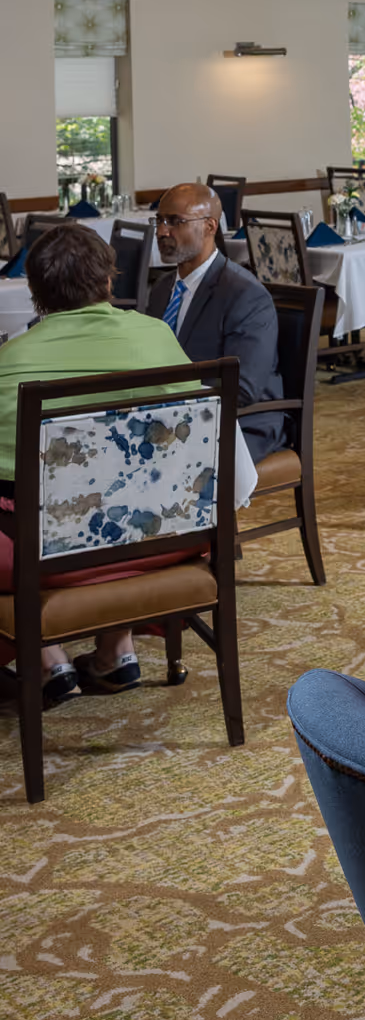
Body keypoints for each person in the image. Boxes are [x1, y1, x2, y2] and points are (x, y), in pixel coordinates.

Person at [0, 222, 206, 704]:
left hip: (49, 554)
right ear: (109, 281)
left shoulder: (12, 362)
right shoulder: (159, 339)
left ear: (35, 293)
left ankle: (48, 654)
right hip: (161, 537)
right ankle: (114, 649)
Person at [144, 183, 284, 459]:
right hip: (172, 415)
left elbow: (242, 388)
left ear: (210, 227)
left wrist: (171, 403)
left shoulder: (245, 295)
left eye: (175, 221)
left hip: (240, 422)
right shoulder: (162, 289)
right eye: (159, 220)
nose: (161, 231)